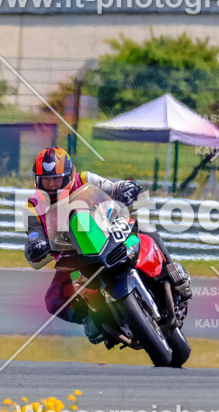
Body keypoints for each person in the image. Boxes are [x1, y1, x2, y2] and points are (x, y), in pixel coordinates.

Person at [23, 146, 191, 344]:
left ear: (68, 176)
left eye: (56, 179)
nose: (51, 185)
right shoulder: (33, 206)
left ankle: (172, 271)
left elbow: (112, 187)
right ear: (37, 180)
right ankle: (94, 319)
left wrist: (127, 189)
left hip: (108, 231)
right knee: (53, 299)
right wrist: (36, 246)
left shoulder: (84, 179)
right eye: (46, 180)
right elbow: (33, 235)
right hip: (72, 257)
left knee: (144, 226)